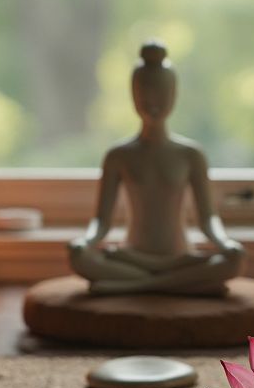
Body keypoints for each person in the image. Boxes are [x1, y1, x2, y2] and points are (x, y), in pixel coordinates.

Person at [68, 42, 245, 295]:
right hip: (132, 258)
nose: (153, 104)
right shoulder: (118, 156)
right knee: (79, 259)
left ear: (174, 95)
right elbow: (101, 221)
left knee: (236, 261)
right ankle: (185, 287)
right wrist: (85, 242)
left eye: (161, 96)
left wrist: (225, 242)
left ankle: (136, 286)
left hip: (181, 258)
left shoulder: (190, 155)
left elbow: (208, 219)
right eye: (145, 96)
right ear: (133, 97)